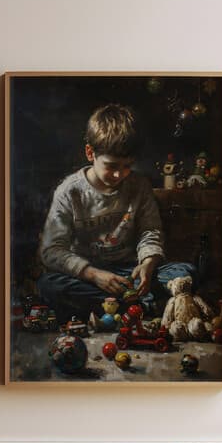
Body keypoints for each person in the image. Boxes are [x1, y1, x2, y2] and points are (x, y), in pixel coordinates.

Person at [37, 104, 196, 323]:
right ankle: (141, 305)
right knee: (49, 285)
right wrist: (93, 274)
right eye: (111, 165)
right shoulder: (70, 191)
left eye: (127, 166)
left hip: (129, 272)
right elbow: (51, 250)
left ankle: (120, 305)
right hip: (88, 275)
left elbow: (150, 231)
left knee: (185, 272)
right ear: (90, 153)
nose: (119, 174)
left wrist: (148, 264)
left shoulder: (139, 185)